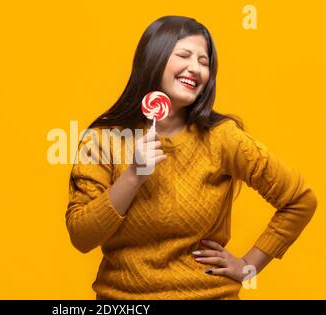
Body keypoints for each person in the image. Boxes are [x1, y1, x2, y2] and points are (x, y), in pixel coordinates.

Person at [65, 15, 317, 300]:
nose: (195, 68)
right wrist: (133, 176)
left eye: (204, 61)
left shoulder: (223, 138)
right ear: (153, 60)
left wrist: (248, 266)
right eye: (183, 55)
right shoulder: (103, 140)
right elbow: (81, 237)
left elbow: (300, 200)